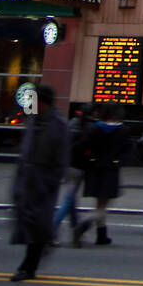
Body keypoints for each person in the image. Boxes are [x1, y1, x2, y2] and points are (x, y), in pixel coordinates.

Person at [11, 83, 69, 281]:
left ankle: (27, 267)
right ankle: (36, 254)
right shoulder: (32, 121)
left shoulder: (59, 125)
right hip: (26, 181)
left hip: (43, 183)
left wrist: (50, 182)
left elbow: (61, 160)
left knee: (36, 225)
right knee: (28, 223)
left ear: (43, 102)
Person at [74, 102, 129, 246]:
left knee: (99, 202)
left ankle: (101, 235)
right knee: (103, 205)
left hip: (94, 168)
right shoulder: (123, 130)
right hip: (111, 169)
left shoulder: (95, 129)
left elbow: (81, 145)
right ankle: (84, 223)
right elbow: (127, 149)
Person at [52, 104, 90, 243]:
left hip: (67, 165)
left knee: (71, 200)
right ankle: (52, 231)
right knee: (69, 200)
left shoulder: (70, 125)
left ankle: (76, 229)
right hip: (78, 167)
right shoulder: (87, 129)